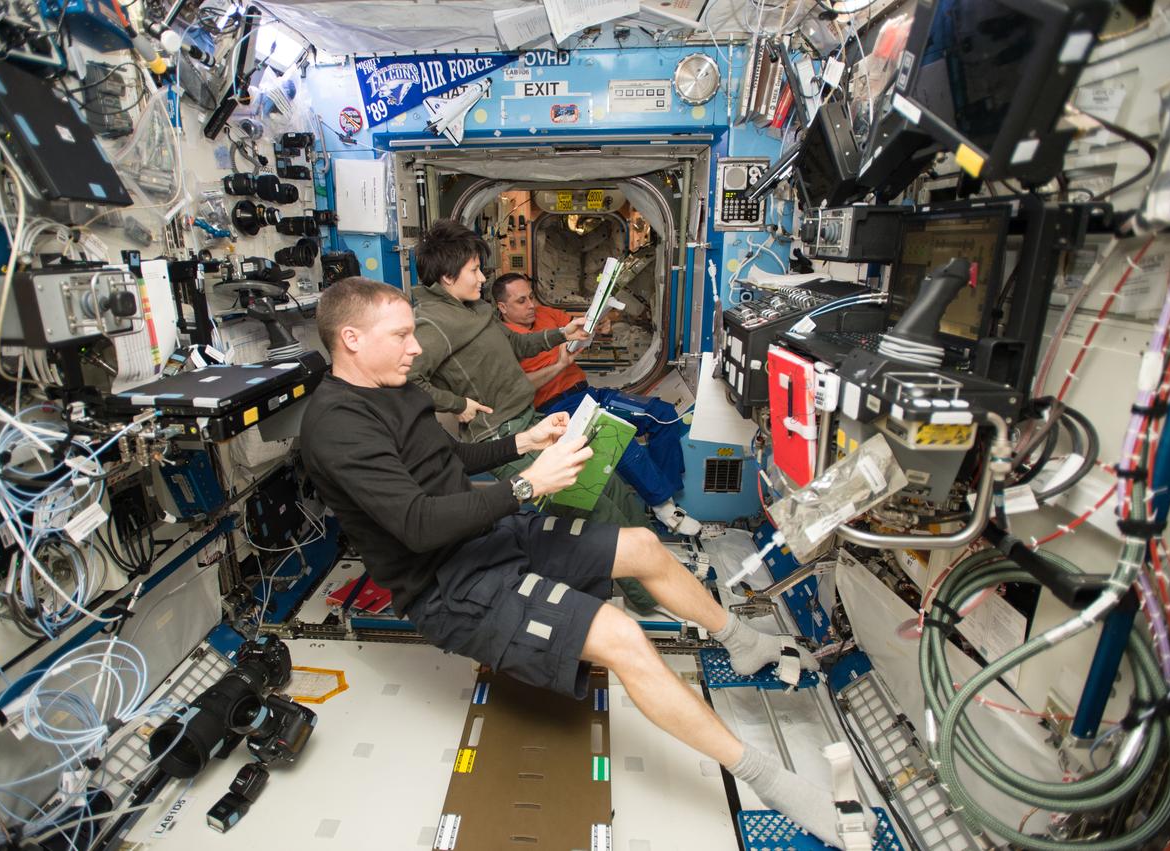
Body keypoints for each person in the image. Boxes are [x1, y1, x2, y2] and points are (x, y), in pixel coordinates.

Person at [298, 277, 843, 849]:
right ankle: (770, 780)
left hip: (484, 535)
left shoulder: (396, 387)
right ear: (352, 339)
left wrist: (523, 443)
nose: (415, 347)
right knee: (622, 637)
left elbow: (447, 456)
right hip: (445, 584)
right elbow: (417, 524)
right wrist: (526, 486)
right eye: (401, 336)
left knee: (643, 546)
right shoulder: (337, 426)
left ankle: (741, 640)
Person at [406, 218, 650, 535]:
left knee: (608, 481)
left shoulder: (474, 309)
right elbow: (407, 379)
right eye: (474, 270)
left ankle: (651, 550)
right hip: (499, 433)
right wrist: (456, 403)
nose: (482, 278)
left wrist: (563, 333)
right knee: (595, 510)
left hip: (529, 418)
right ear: (448, 277)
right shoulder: (432, 323)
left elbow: (517, 344)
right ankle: (639, 561)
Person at [493, 272, 701, 535]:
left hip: (588, 394)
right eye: (521, 301)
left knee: (663, 414)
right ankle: (664, 507)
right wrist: (558, 367)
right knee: (616, 435)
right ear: (502, 307)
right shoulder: (503, 341)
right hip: (557, 408)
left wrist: (599, 327)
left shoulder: (546, 314)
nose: (531, 305)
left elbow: (579, 330)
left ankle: (664, 500)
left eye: (531, 297)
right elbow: (519, 386)